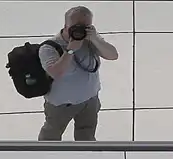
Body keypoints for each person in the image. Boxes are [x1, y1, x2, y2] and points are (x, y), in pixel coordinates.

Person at [38, 6, 118, 142]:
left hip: (89, 100)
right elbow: (55, 73)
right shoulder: (49, 47)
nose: (79, 31)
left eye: (85, 27)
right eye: (75, 27)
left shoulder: (90, 40)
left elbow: (113, 55)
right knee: (50, 137)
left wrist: (96, 39)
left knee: (86, 136)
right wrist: (70, 51)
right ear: (65, 25)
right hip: (61, 105)